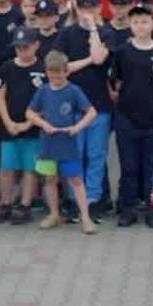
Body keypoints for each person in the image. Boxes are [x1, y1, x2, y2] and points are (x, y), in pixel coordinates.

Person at [54, 0, 116, 216]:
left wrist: (93, 29)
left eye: (92, 6)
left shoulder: (106, 33)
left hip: (99, 105)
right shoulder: (66, 34)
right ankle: (73, 199)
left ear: (99, 7)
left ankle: (92, 200)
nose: (87, 11)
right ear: (76, 8)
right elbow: (62, 68)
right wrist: (88, 60)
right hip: (71, 106)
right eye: (83, 7)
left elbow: (100, 58)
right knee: (74, 154)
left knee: (97, 155)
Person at [110, 4, 153, 228]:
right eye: (135, 22)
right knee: (129, 166)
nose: (140, 26)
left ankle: (152, 208)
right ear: (130, 26)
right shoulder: (123, 51)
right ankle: (128, 207)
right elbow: (116, 82)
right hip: (127, 119)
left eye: (145, 21)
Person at [29, 50, 100, 234]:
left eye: (59, 76)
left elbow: (92, 112)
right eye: (52, 76)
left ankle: (85, 218)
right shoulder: (43, 91)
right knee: (50, 179)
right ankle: (54, 214)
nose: (56, 80)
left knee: (76, 180)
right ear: (47, 73)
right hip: (48, 143)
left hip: (68, 143)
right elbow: (30, 113)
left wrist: (78, 127)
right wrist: (43, 124)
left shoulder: (74, 90)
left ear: (67, 72)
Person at [0, 29, 45, 225]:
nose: (22, 51)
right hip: (10, 126)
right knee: (7, 166)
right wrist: (7, 122)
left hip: (32, 126)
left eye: (26, 47)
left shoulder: (42, 68)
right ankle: (5, 202)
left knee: (29, 168)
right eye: (18, 47)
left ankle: (25, 204)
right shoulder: (7, 67)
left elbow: (44, 100)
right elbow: (0, 95)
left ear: (36, 46)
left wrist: (29, 123)